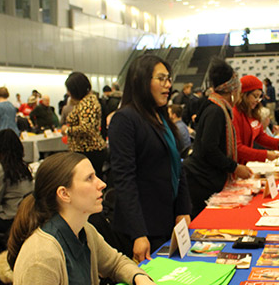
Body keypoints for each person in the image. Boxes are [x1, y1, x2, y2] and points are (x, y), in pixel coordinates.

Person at [8, 152, 176, 285]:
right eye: (89, 178)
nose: (102, 184)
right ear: (64, 194)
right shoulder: (42, 258)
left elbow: (116, 263)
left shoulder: (84, 230)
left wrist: (140, 279)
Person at [108, 55, 192, 261]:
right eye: (161, 79)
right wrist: (138, 233)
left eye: (169, 79)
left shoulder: (160, 116)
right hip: (143, 228)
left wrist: (183, 210)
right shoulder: (125, 119)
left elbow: (177, 165)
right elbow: (124, 179)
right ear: (141, 80)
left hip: (167, 220)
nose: (168, 85)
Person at [184, 58, 253, 217]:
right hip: (202, 180)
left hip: (206, 177)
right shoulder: (216, 111)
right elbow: (210, 148)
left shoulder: (217, 107)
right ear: (232, 89)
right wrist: (234, 167)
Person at [232, 75, 279, 164]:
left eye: (260, 97)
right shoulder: (235, 114)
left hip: (245, 163)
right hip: (235, 164)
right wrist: (265, 155)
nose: (257, 100)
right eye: (255, 96)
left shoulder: (253, 112)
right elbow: (237, 147)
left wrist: (278, 143)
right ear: (244, 95)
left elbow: (260, 136)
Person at [62, 72, 108, 180]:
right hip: (86, 150)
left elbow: (86, 128)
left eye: (69, 89)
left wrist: (67, 130)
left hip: (89, 150)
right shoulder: (85, 101)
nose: (68, 93)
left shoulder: (88, 103)